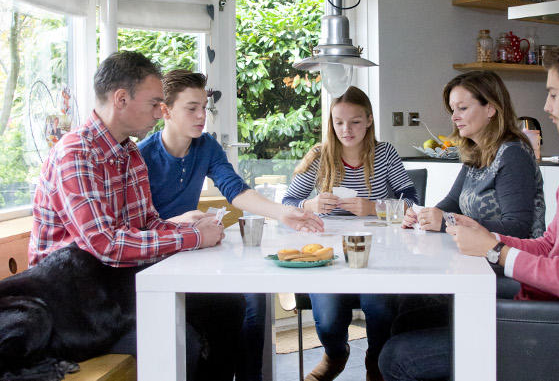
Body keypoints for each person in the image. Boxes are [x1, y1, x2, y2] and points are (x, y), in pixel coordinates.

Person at [378, 40, 559, 381]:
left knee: (398, 357)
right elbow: (548, 245)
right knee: (410, 318)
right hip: (551, 307)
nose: (545, 106)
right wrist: (488, 239)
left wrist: (495, 251)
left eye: (553, 94)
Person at [32, 52, 236, 381]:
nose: (161, 111)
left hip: (114, 291)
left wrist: (185, 226)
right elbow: (106, 244)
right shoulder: (76, 155)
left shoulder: (128, 152)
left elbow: (147, 224)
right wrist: (193, 237)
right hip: (72, 308)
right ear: (122, 99)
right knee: (181, 342)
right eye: (155, 103)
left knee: (227, 307)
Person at [138, 69, 323, 381]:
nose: (202, 116)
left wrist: (282, 212)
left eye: (204, 108)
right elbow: (135, 227)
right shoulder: (142, 156)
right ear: (166, 111)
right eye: (191, 108)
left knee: (253, 301)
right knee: (231, 308)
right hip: (157, 262)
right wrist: (179, 221)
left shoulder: (206, 146)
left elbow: (236, 190)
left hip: (192, 252)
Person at [282, 86, 418, 381]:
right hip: (327, 253)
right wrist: (311, 203)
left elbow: (412, 200)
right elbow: (288, 204)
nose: (347, 129)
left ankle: (376, 360)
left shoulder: (384, 154)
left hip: (378, 251)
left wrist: (372, 208)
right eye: (339, 122)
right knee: (329, 320)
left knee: (379, 307)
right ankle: (336, 354)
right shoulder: (319, 156)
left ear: (369, 120)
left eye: (355, 121)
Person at [402, 70, 545, 239]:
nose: (454, 117)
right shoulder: (477, 152)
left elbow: (518, 228)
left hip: (506, 261)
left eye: (462, 108)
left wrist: (447, 222)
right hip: (480, 256)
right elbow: (453, 202)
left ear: (490, 109)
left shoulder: (513, 155)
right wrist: (424, 216)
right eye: (453, 110)